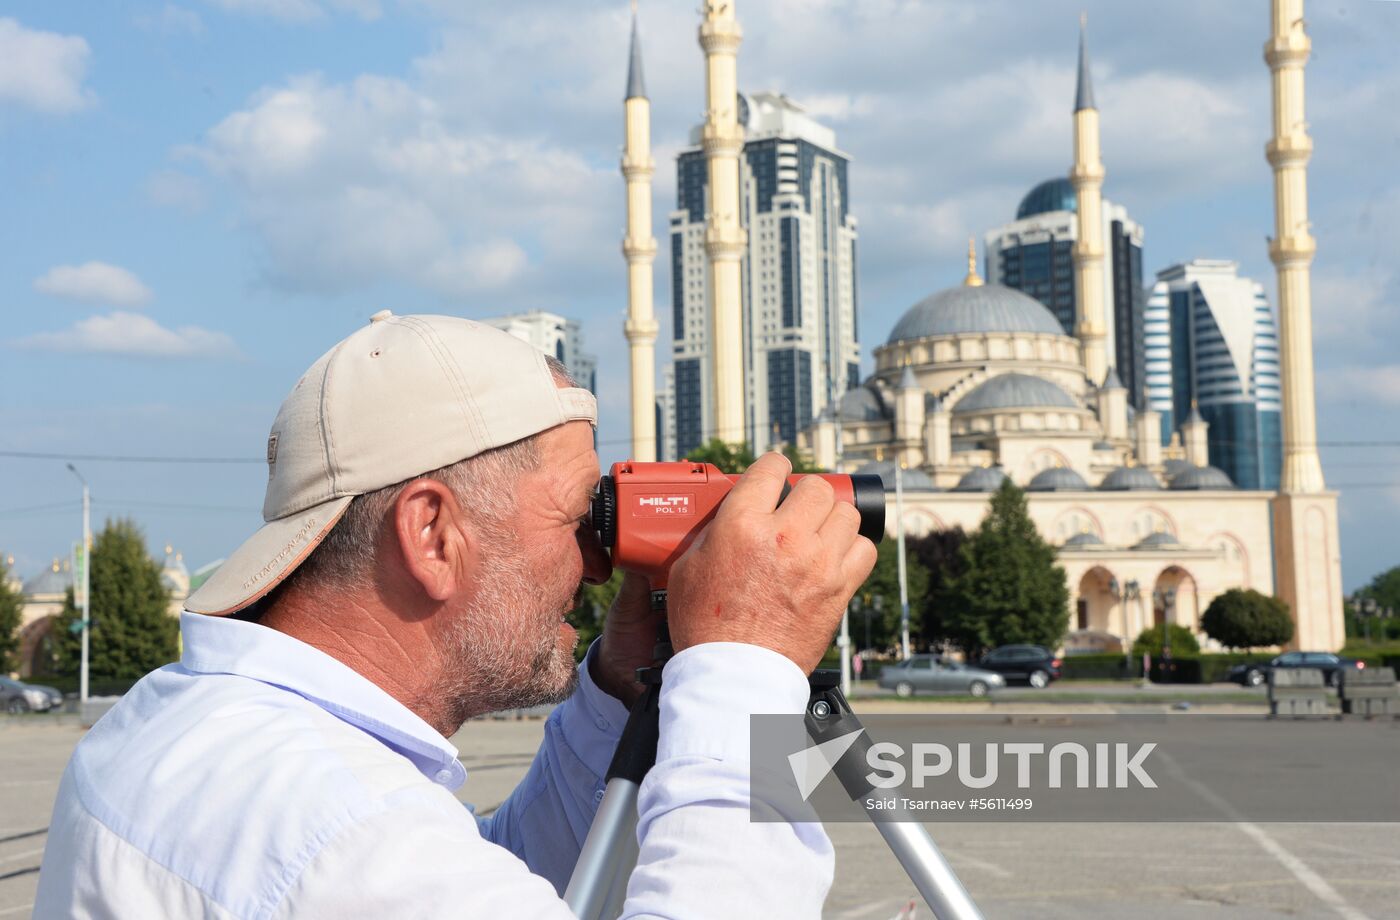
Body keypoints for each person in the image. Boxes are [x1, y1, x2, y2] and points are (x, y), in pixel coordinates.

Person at [35, 312, 877, 918]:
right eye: (576, 516)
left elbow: (496, 880)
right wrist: (743, 667)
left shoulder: (193, 726)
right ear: (432, 533)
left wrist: (617, 695)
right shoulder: (334, 831)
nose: (597, 563)